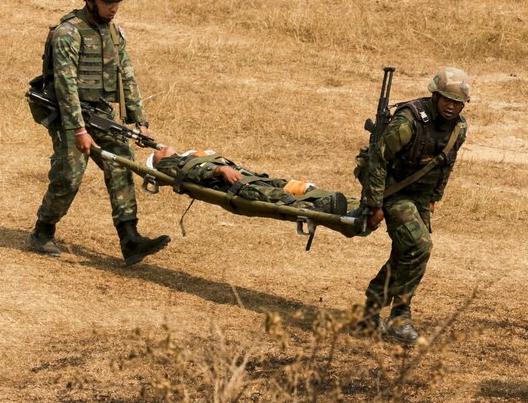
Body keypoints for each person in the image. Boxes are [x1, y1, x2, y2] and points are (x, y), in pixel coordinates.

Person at [29, 0, 170, 265]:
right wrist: (79, 130)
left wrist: (140, 122)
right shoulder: (68, 33)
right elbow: (65, 86)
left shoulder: (115, 34)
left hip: (100, 112)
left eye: (117, 2)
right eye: (108, 2)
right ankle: (43, 231)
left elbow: (126, 76)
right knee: (69, 175)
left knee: (120, 162)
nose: (113, 8)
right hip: (70, 114)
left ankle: (130, 238)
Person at [357, 67, 469, 345]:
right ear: (434, 95)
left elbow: (447, 163)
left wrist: (435, 197)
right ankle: (400, 316)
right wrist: (375, 204)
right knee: (419, 247)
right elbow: (378, 159)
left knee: (407, 252)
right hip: (393, 192)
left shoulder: (459, 128)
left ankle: (370, 312)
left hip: (420, 196)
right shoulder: (409, 121)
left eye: (457, 103)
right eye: (446, 100)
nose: (451, 107)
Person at [148, 146, 353, 215]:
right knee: (274, 196)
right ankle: (319, 208)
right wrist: (220, 170)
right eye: (158, 153)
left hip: (245, 176)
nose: (160, 149)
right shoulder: (170, 165)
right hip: (232, 186)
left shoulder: (189, 155)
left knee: (290, 185)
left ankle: (342, 202)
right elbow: (194, 174)